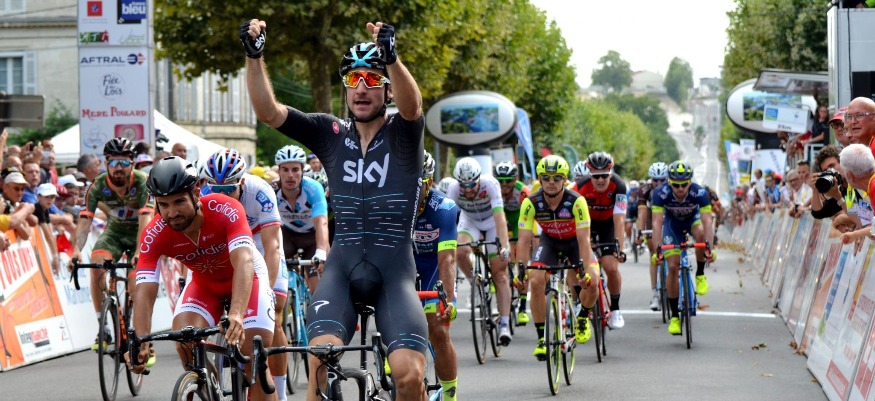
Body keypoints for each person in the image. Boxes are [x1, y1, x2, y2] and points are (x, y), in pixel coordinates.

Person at [242, 18, 428, 400]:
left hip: (394, 271)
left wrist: (392, 58)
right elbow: (269, 112)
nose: (361, 88)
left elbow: (413, 106)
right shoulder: (330, 134)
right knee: (319, 359)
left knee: (409, 376)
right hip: (343, 269)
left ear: (387, 90)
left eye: (373, 79)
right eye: (354, 79)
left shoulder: (403, 133)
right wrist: (254, 56)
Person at [127, 157, 276, 401]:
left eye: (179, 202)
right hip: (205, 285)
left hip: (247, 277)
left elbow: (244, 262)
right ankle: (210, 389)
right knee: (184, 342)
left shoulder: (225, 208)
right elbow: (145, 289)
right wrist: (141, 341)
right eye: (163, 205)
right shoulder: (154, 233)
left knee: (253, 354)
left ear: (196, 192)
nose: (172, 213)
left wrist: (237, 313)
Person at [201, 148, 289, 399]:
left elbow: (272, 246)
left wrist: (266, 292)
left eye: (229, 190)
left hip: (259, 242)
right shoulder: (204, 194)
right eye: (216, 190)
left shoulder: (260, 191)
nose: (222, 196)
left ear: (241, 182)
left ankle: (280, 392)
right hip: (229, 244)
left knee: (275, 315)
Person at [71, 137, 155, 364]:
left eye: (125, 162)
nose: (119, 167)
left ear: (133, 164)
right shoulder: (96, 185)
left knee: (137, 284)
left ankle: (144, 339)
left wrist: (140, 252)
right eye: (114, 162)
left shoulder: (144, 182)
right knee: (96, 264)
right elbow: (85, 220)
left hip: (140, 233)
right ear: (106, 163)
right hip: (115, 233)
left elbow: (146, 219)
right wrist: (76, 250)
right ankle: (104, 328)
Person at [514, 155, 599, 359]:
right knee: (535, 280)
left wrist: (585, 271)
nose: (551, 182)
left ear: (564, 179)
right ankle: (542, 339)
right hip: (550, 242)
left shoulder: (576, 202)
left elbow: (584, 240)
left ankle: (582, 317)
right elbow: (524, 241)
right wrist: (521, 272)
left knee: (594, 282)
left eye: (557, 178)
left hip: (575, 243)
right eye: (546, 178)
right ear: (540, 179)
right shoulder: (531, 203)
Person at [447, 157, 513, 344]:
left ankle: (505, 324)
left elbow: (500, 217)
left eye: (471, 185)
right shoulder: (453, 189)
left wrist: (504, 246)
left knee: (500, 274)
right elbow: (447, 218)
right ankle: (475, 283)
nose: (467, 189)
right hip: (470, 221)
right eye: (463, 185)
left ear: (478, 179)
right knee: (459, 251)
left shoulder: (490, 184)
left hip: (492, 223)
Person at [412, 152, 460, 401]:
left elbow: (448, 258)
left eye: (416, 183)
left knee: (438, 329)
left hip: (434, 269)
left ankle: (450, 395)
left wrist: (447, 300)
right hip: (404, 267)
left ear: (429, 182)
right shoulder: (391, 204)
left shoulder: (444, 208)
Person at [651, 161, 715, 335]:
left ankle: (700, 274)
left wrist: (710, 248)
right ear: (669, 182)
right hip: (672, 225)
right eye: (676, 185)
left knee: (700, 233)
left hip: (692, 220)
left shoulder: (700, 193)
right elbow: (656, 223)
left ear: (690, 182)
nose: (680, 189)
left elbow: (707, 221)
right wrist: (657, 250)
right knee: (672, 267)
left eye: (684, 184)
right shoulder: (660, 193)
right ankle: (674, 316)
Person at [569, 151, 627, 329]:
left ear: (610, 173)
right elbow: (570, 218)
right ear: (589, 175)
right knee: (575, 263)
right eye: (596, 176)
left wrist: (619, 249)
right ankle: (578, 302)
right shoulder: (578, 187)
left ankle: (615, 309)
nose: (600, 180)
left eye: (604, 175)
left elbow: (619, 220)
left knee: (611, 266)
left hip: (608, 224)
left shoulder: (619, 186)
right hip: (586, 223)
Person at [274, 144, 329, 292]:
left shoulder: (313, 188)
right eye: (285, 169)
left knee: (318, 287)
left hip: (313, 237)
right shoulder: (272, 190)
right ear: (278, 171)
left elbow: (322, 222)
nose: (290, 175)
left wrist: (321, 252)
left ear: (303, 170)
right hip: (287, 236)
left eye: (295, 169)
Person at [493, 160, 531, 325]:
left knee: (521, 261)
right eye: (500, 181)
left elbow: (530, 217)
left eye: (508, 180)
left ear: (515, 179)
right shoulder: (493, 190)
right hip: (501, 217)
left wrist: (526, 240)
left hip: (519, 221)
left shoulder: (522, 191)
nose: (504, 184)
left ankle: (522, 307)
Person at [638, 162, 668, 310]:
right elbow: (643, 213)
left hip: (669, 218)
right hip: (652, 219)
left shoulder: (673, 188)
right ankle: (655, 294)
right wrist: (640, 230)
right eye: (655, 180)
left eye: (662, 180)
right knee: (654, 253)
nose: (659, 183)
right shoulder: (645, 190)